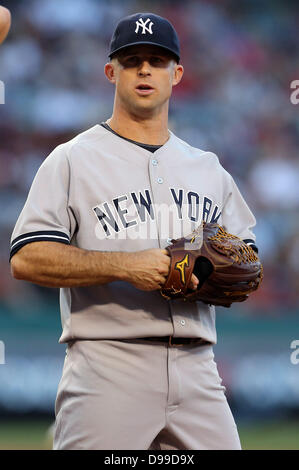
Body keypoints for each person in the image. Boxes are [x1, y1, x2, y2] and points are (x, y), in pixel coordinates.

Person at [10, 12, 259, 450]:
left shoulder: (209, 169)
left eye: (158, 60)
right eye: (132, 60)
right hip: (107, 365)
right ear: (111, 72)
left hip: (199, 367)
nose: (145, 69)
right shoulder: (71, 159)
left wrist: (208, 272)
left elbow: (248, 259)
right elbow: (27, 257)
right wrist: (127, 266)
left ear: (176, 74)